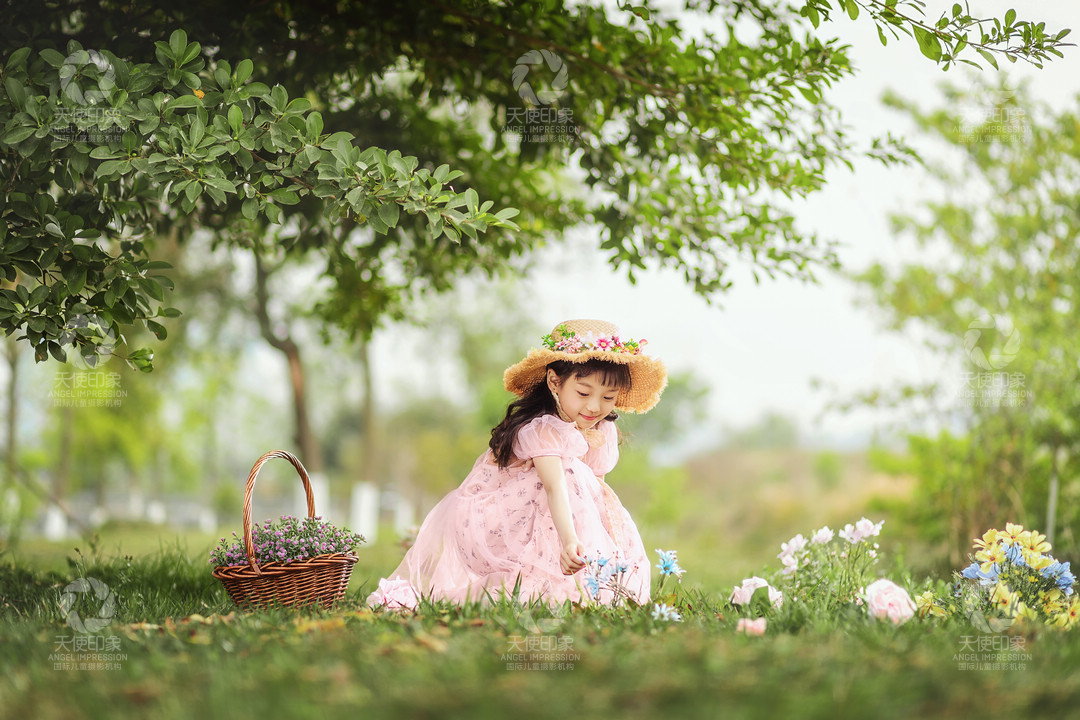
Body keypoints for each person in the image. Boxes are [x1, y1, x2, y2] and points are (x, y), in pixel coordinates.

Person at [366, 319, 667, 608]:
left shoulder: (601, 428)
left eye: (608, 397)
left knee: (593, 488)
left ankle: (585, 585)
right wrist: (569, 541)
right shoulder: (543, 429)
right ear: (554, 381)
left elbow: (593, 495)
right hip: (492, 520)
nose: (594, 406)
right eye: (583, 393)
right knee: (571, 472)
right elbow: (555, 486)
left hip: (550, 517)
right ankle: (557, 569)